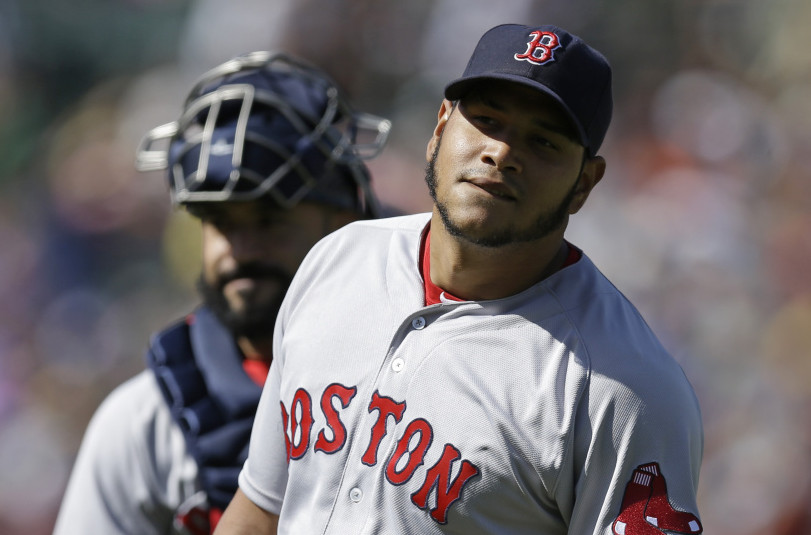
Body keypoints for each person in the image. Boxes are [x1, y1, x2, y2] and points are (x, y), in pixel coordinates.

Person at [215, 24, 704, 535]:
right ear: (441, 127)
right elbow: (261, 509)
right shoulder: (339, 260)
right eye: (487, 120)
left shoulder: (625, 388)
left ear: (585, 182)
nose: (502, 153)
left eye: (542, 141)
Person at [52, 51, 391, 535]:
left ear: (345, 223)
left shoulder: (418, 380)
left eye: (269, 219)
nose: (240, 250)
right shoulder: (146, 421)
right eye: (221, 222)